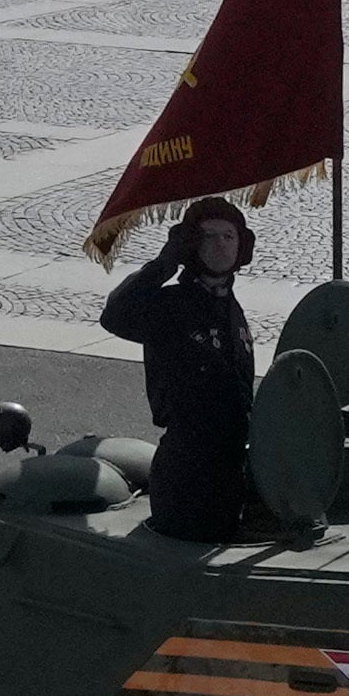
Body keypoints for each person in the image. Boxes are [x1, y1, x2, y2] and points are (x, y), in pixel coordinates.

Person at [95, 201, 262, 541]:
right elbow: (116, 315)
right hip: (187, 469)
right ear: (190, 245)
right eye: (208, 236)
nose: (220, 244)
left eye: (229, 235)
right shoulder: (169, 305)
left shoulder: (229, 305)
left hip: (230, 467)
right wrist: (163, 264)